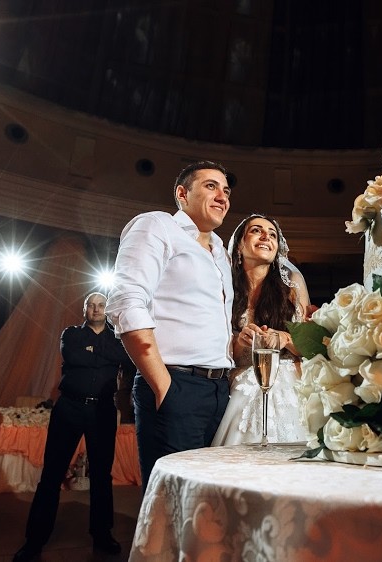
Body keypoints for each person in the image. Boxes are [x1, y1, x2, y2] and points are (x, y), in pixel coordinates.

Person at [106, 161, 236, 492]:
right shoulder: (157, 225)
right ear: (182, 193)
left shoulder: (221, 252)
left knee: (206, 501)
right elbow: (126, 302)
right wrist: (164, 387)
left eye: (225, 190)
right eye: (210, 186)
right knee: (174, 501)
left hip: (220, 392)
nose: (222, 196)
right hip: (176, 384)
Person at [13, 292, 134, 562]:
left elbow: (126, 358)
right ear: (84, 309)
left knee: (101, 475)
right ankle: (34, 540)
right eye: (91, 305)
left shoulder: (118, 339)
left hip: (102, 410)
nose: (96, 309)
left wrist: (94, 351)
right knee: (52, 474)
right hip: (69, 408)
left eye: (101, 305)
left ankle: (102, 535)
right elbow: (73, 356)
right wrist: (104, 356)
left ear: (107, 310)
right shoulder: (71, 334)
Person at [212, 214, 311, 445]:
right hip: (240, 387)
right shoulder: (223, 288)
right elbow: (216, 349)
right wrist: (240, 342)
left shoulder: (292, 287)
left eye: (272, 234)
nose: (266, 236)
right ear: (239, 245)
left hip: (288, 386)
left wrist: (285, 338)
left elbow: (308, 348)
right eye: (256, 230)